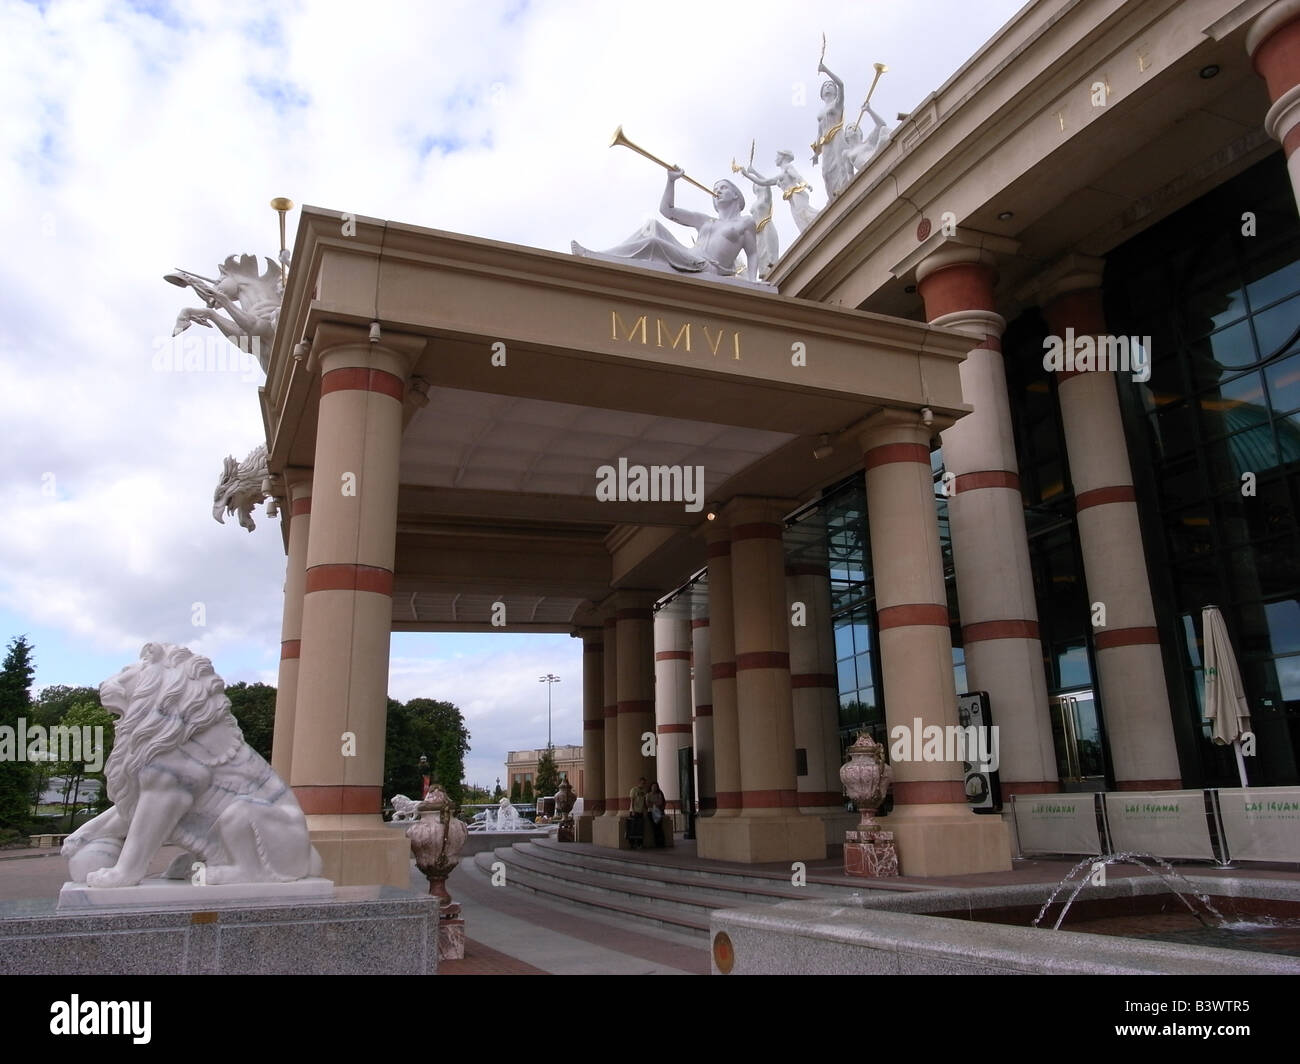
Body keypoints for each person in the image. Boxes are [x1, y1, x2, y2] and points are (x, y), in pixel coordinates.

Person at [572, 169, 761, 283]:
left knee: (654, 243)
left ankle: (597, 258)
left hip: (706, 265)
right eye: (715, 189)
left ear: (736, 195)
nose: (718, 191)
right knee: (653, 226)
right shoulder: (707, 220)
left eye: (723, 188)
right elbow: (667, 210)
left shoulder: (745, 222)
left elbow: (752, 253)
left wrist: (754, 282)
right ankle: (602, 256)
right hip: (690, 255)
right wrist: (671, 181)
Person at [742, 151, 820, 232]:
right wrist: (753, 172)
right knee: (800, 220)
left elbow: (798, 177)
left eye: (777, 157)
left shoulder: (787, 168)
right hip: (792, 200)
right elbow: (765, 182)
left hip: (797, 195)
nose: (775, 159)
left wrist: (806, 185)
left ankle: (822, 221)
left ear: (783, 157)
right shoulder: (782, 173)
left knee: (805, 214)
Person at [811, 61, 853, 199]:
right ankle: (833, 198)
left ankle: (844, 191)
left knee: (841, 165)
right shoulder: (821, 111)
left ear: (835, 91)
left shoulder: (837, 104)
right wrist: (816, 153)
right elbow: (819, 131)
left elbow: (841, 84)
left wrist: (825, 70)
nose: (828, 86)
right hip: (826, 144)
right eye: (825, 86)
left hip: (837, 138)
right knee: (826, 172)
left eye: (830, 85)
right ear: (822, 93)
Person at [627, 776, 648, 849]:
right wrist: (632, 810)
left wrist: (645, 810)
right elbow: (632, 800)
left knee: (640, 828)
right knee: (633, 828)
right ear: (639, 782)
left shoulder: (644, 791)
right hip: (634, 811)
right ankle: (632, 844)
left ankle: (640, 844)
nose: (643, 784)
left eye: (644, 783)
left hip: (641, 812)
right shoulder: (634, 790)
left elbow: (644, 801)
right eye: (642, 783)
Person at [647, 782, 667, 848]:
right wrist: (655, 803)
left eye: (655, 787)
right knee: (654, 828)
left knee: (659, 827)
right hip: (651, 812)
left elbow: (661, 802)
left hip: (658, 812)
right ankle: (657, 843)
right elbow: (647, 804)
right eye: (653, 786)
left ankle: (661, 842)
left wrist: (653, 803)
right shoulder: (648, 795)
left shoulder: (659, 794)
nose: (654, 788)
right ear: (651, 787)